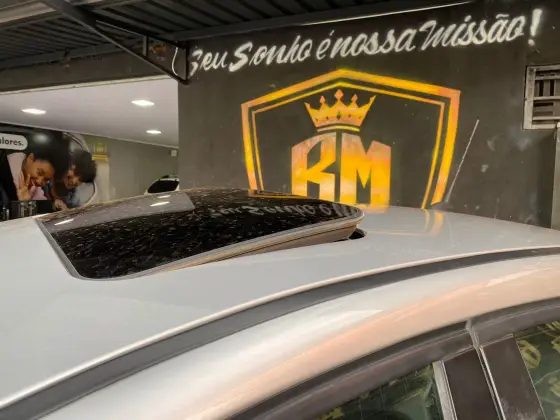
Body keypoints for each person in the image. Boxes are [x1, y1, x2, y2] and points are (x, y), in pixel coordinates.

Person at [0, 146, 70, 203]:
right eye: (39, 172)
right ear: (30, 158)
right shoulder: (5, 171)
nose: (39, 182)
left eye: (46, 180)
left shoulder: (34, 188)